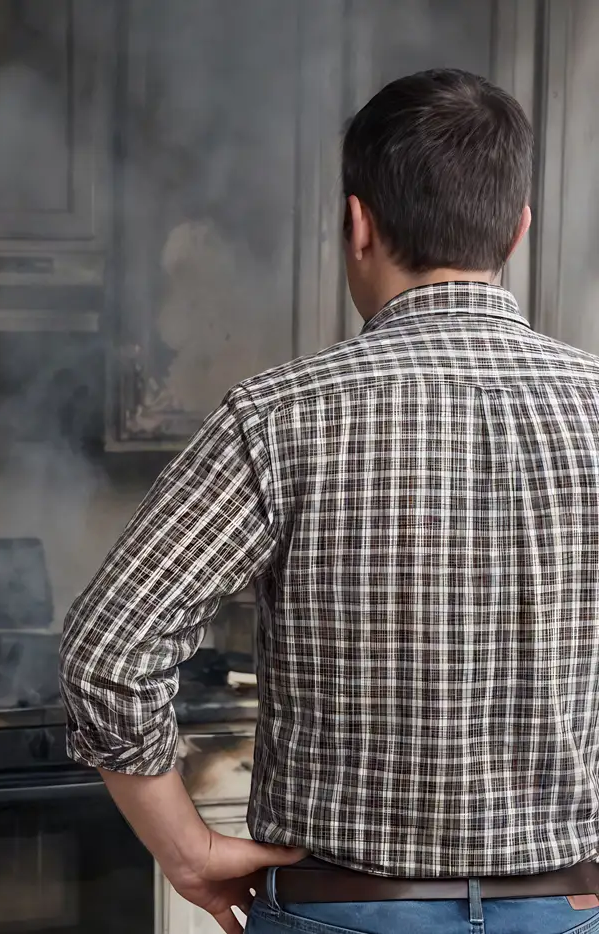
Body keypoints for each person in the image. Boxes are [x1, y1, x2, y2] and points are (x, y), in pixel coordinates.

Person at [59, 68, 599, 934]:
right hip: (566, 912)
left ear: (357, 224)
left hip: (339, 914)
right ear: (517, 230)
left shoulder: (277, 416)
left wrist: (188, 854)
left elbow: (108, 654)